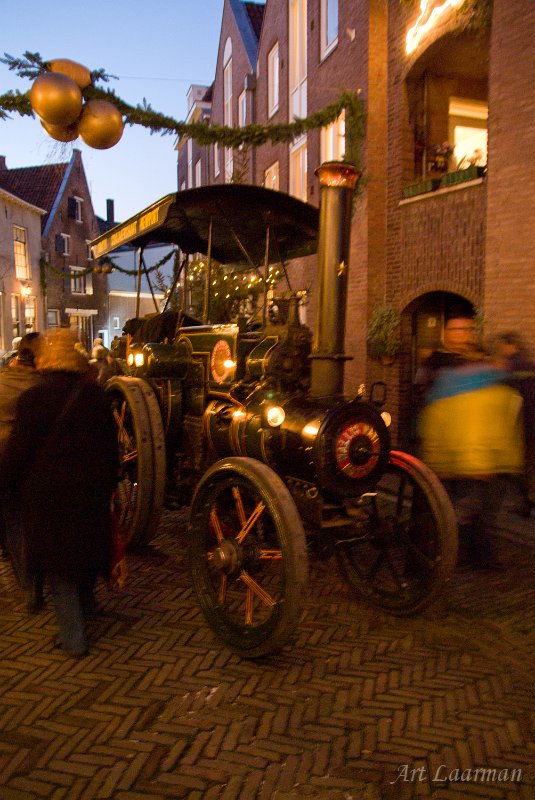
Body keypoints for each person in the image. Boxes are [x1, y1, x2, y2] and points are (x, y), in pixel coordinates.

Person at [0, 328, 119, 658]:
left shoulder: (33, 400)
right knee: (84, 555)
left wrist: (7, 482)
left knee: (60, 570)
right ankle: (88, 609)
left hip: (49, 500)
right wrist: (108, 486)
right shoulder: (96, 397)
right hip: (90, 495)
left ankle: (73, 638)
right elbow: (112, 451)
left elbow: (18, 453)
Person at [418, 315, 524, 570]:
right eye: (457, 329)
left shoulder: (480, 366)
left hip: (481, 454)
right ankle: (453, 555)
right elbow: (453, 416)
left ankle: (476, 556)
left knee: (480, 511)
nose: (464, 334)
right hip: (461, 453)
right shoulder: (441, 367)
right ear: (446, 333)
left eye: (468, 329)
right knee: (461, 511)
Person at [0, 333, 44, 610]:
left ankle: (28, 588)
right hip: (30, 465)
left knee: (13, 524)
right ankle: (34, 586)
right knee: (27, 524)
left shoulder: (2, 381)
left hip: (4, 463)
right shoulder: (41, 387)